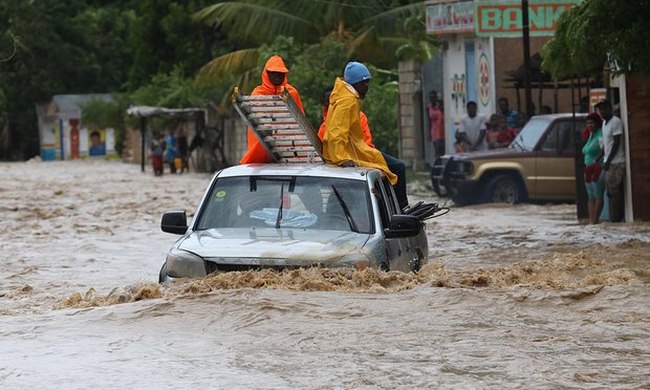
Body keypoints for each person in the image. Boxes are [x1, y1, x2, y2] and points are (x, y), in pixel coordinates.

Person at [321, 61, 408, 209]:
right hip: (351, 152)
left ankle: (389, 205)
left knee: (385, 167)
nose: (367, 86)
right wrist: (342, 159)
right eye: (364, 82)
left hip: (353, 149)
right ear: (356, 83)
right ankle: (402, 208)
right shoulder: (348, 101)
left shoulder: (344, 97)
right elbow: (337, 131)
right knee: (398, 167)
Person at [240, 55, 304, 164]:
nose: (277, 76)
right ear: (267, 74)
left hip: (289, 148)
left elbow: (301, 121)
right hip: (261, 149)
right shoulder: (258, 94)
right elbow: (257, 122)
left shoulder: (292, 93)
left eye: (280, 74)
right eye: (274, 73)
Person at [597, 99, 626, 222]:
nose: (602, 112)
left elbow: (616, 143)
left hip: (616, 162)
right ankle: (614, 217)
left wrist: (608, 160)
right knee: (609, 191)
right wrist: (600, 156)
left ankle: (617, 218)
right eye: (600, 109)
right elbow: (606, 143)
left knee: (614, 191)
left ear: (610, 108)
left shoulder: (616, 122)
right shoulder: (604, 123)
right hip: (608, 162)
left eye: (604, 109)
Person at [581, 113, 605, 224]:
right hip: (588, 169)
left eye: (592, 123)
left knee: (598, 195)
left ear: (597, 123)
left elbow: (604, 149)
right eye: (588, 123)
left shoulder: (600, 134)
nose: (589, 125)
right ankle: (591, 221)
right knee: (590, 196)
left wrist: (596, 162)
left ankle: (595, 220)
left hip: (597, 169)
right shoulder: (591, 135)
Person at [427, 90, 445, 157]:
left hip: (442, 130)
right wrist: (429, 133)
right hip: (434, 131)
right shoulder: (429, 107)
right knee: (437, 150)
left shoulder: (440, 106)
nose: (432, 99)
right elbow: (429, 120)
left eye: (434, 97)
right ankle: (438, 163)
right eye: (431, 98)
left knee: (441, 148)